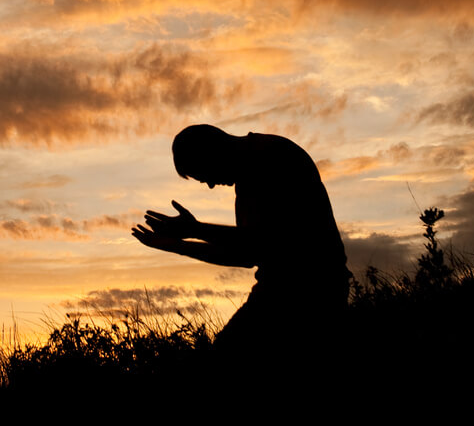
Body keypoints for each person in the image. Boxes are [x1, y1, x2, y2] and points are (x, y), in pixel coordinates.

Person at [132, 124, 350, 359]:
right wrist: (178, 243)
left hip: (306, 293)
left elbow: (257, 245)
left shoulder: (269, 159)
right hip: (289, 290)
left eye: (204, 173)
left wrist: (193, 231)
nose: (211, 184)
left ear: (212, 150)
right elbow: (246, 254)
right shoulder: (252, 169)